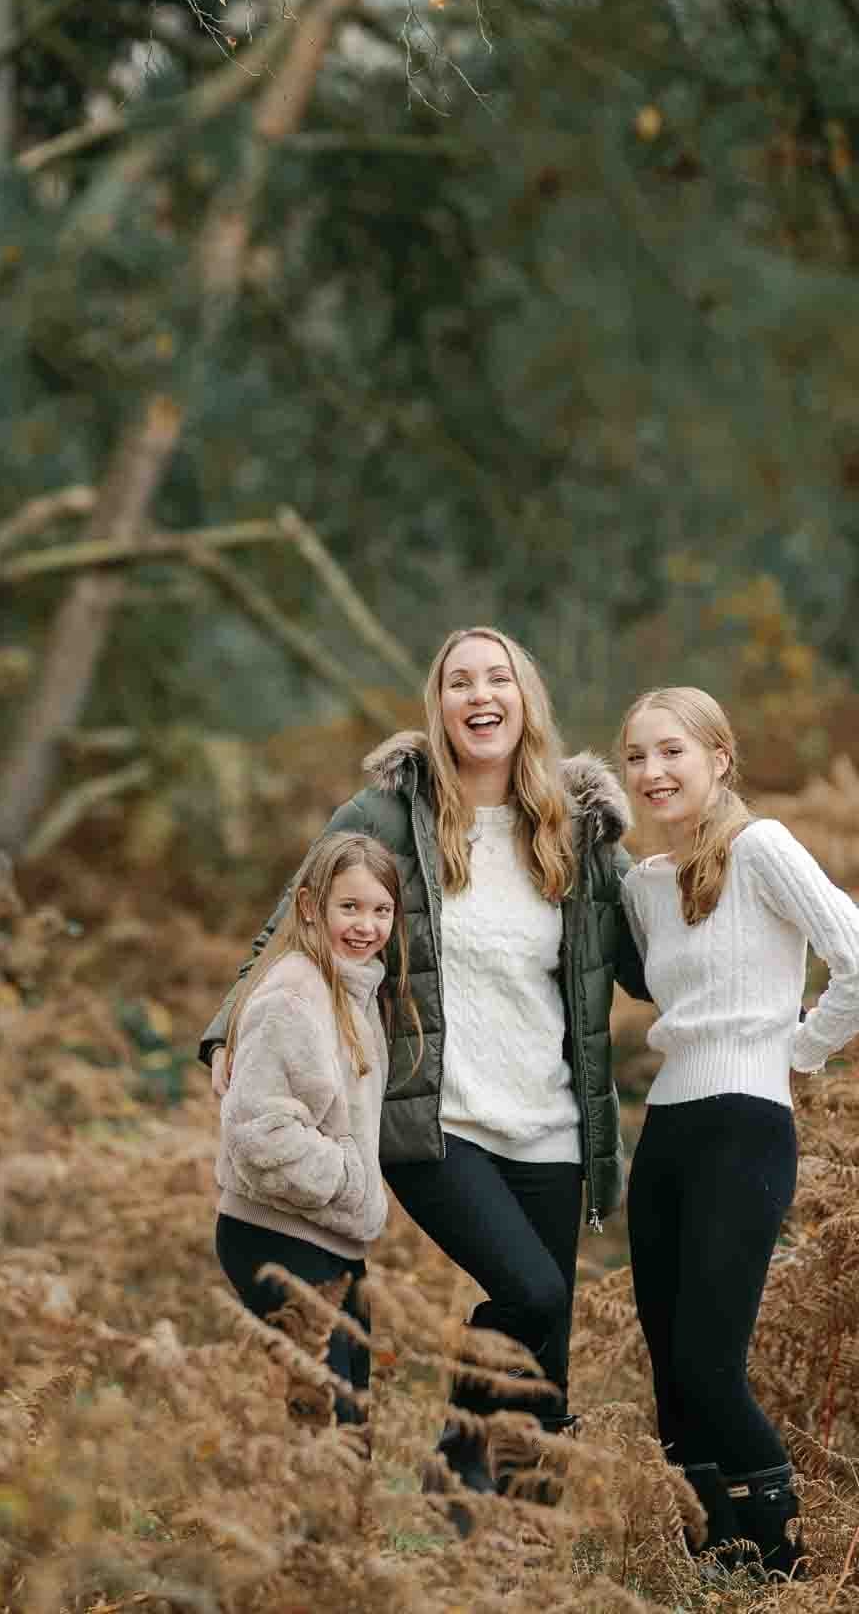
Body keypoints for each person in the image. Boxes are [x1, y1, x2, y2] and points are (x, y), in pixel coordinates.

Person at [205, 626, 646, 1519]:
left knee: (543, 1342)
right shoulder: (383, 817)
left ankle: (511, 1543)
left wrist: (716, 882)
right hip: (432, 1120)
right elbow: (287, 921)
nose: (479, 695)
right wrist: (226, 1032)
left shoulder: (575, 829)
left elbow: (645, 957)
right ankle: (455, 1457)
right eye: (459, 682)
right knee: (530, 1291)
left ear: (526, 701)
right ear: (439, 706)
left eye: (498, 679)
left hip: (554, 1124)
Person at [619, 687, 859, 1580]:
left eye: (670, 751)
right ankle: (711, 1558)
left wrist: (794, 1050)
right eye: (636, 756)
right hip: (666, 1135)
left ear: (719, 757)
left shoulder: (760, 849)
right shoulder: (644, 886)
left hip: (743, 1129)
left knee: (709, 1366)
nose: (652, 772)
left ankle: (781, 1561)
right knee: (670, 1372)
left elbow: (854, 955)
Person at [215, 830, 415, 1439]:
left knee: (348, 1428)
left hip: (331, 1239)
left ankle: (336, 1537)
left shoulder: (351, 991)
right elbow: (259, 1133)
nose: (366, 925)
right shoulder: (292, 997)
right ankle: (307, 1536)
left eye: (381, 910)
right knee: (319, 1427)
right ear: (309, 906)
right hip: (279, 1236)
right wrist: (352, 1179)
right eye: (349, 907)